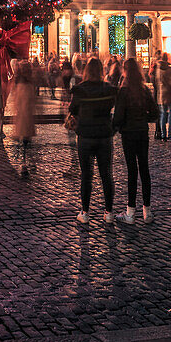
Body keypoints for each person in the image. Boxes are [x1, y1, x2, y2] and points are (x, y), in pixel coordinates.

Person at [68, 57, 118, 225]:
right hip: (104, 135)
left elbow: (72, 109)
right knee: (106, 175)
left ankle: (85, 212)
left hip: (86, 136)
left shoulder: (80, 90)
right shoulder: (109, 90)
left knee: (86, 176)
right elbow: (112, 106)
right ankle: (109, 212)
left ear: (86, 71)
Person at [112, 58, 159, 223]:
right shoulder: (144, 90)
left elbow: (117, 117)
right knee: (144, 170)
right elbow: (155, 113)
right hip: (142, 133)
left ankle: (130, 212)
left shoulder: (123, 92)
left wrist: (117, 126)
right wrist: (143, 118)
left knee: (132, 171)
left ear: (125, 72)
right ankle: (148, 211)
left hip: (128, 134)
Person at [8, 60, 37, 178]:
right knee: (25, 142)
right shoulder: (28, 85)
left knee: (24, 142)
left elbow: (17, 102)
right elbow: (29, 102)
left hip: (23, 118)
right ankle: (24, 163)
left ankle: (24, 162)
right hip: (26, 118)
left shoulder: (19, 84)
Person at [154, 53, 171, 141]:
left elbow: (156, 81)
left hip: (161, 94)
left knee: (163, 114)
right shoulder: (169, 69)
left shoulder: (158, 69)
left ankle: (163, 134)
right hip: (169, 93)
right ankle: (170, 133)